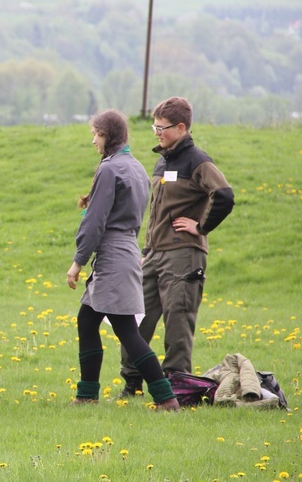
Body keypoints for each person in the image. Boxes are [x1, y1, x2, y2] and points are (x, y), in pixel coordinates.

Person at [117, 97, 234, 398]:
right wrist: (146, 252)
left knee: (177, 321)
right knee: (135, 319)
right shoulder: (162, 161)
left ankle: (178, 389)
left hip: (184, 255)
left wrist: (201, 227)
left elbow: (224, 195)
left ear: (181, 127)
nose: (156, 132)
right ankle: (132, 384)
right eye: (154, 127)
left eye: (162, 127)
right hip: (154, 255)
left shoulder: (197, 161)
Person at [67, 109, 179, 410]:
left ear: (109, 136)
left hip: (113, 256)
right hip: (126, 250)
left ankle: (166, 398)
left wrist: (78, 261)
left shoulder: (109, 169)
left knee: (126, 330)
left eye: (97, 134)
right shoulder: (136, 168)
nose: (94, 141)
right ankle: (86, 394)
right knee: (87, 320)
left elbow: (95, 221)